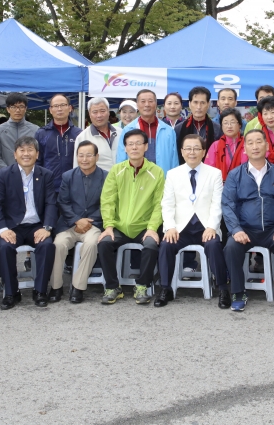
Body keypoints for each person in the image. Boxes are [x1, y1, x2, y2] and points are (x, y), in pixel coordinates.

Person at [222, 129, 274, 312]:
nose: (255, 146)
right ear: (244, 149)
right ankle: (238, 291)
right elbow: (227, 205)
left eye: (259, 142)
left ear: (266, 146)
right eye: (250, 143)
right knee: (231, 247)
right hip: (245, 229)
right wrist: (236, 230)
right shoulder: (235, 175)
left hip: (273, 229)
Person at [155, 134, 225, 308]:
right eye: (188, 148)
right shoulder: (172, 174)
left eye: (196, 148)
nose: (192, 152)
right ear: (182, 152)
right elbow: (167, 203)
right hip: (181, 228)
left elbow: (218, 204)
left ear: (203, 152)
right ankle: (165, 288)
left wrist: (212, 227)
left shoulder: (215, 174)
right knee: (166, 245)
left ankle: (223, 288)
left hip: (205, 226)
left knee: (214, 245)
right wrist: (170, 227)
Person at [98, 129, 165, 305]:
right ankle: (113, 287)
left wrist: (152, 228)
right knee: (104, 243)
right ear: (125, 148)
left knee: (151, 245)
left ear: (146, 147)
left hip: (144, 226)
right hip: (119, 226)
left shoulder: (156, 172)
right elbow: (107, 200)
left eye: (138, 143)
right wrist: (109, 226)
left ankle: (142, 285)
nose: (134, 147)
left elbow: (159, 204)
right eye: (130, 144)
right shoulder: (116, 170)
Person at [0, 136, 58, 309]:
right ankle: (11, 292)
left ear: (37, 154)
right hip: (12, 226)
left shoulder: (46, 175)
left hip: (37, 226)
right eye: (22, 150)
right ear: (15, 154)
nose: (26, 154)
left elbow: (51, 202)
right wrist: (3, 229)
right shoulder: (4, 175)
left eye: (30, 150)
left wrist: (47, 228)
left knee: (47, 245)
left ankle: (40, 291)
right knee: (4, 247)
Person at [49, 141, 107, 304]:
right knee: (58, 244)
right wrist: (76, 220)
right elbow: (63, 202)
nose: (85, 159)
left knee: (91, 244)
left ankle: (78, 287)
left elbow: (107, 203)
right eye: (81, 155)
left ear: (97, 157)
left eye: (89, 155)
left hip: (93, 224)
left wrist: (89, 222)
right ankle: (56, 286)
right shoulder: (68, 176)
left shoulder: (106, 176)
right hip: (70, 223)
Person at [117, 89, 178, 173]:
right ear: (137, 105)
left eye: (150, 101)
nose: (147, 105)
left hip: (162, 179)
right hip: (135, 180)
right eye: (143, 101)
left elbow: (174, 160)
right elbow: (121, 159)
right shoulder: (128, 130)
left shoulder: (168, 131)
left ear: (156, 104)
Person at [34, 93, 80, 192]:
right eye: (56, 106)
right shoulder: (41, 133)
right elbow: (37, 161)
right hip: (49, 187)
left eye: (63, 105)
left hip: (73, 187)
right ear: (50, 110)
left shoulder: (79, 134)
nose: (59, 109)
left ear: (70, 108)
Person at [0, 92, 40, 170]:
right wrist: (8, 172)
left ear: (26, 108)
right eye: (13, 107)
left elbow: (39, 154)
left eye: (21, 106)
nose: (17, 110)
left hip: (30, 175)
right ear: (8, 109)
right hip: (6, 176)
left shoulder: (36, 130)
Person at [175, 86, 221, 164]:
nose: (199, 107)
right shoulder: (179, 129)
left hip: (210, 171)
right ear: (189, 104)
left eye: (202, 103)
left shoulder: (217, 128)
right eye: (195, 102)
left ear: (208, 104)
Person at [75, 97, 118, 173]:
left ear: (108, 112)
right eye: (95, 112)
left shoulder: (121, 133)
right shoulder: (82, 137)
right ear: (89, 114)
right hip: (97, 182)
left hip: (122, 180)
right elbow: (77, 166)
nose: (99, 115)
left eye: (102, 111)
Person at [205, 108, 248, 181]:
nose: (229, 126)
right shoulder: (215, 145)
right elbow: (208, 169)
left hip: (244, 185)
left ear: (240, 125)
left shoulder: (247, 143)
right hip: (221, 186)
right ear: (221, 126)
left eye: (232, 122)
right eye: (225, 123)